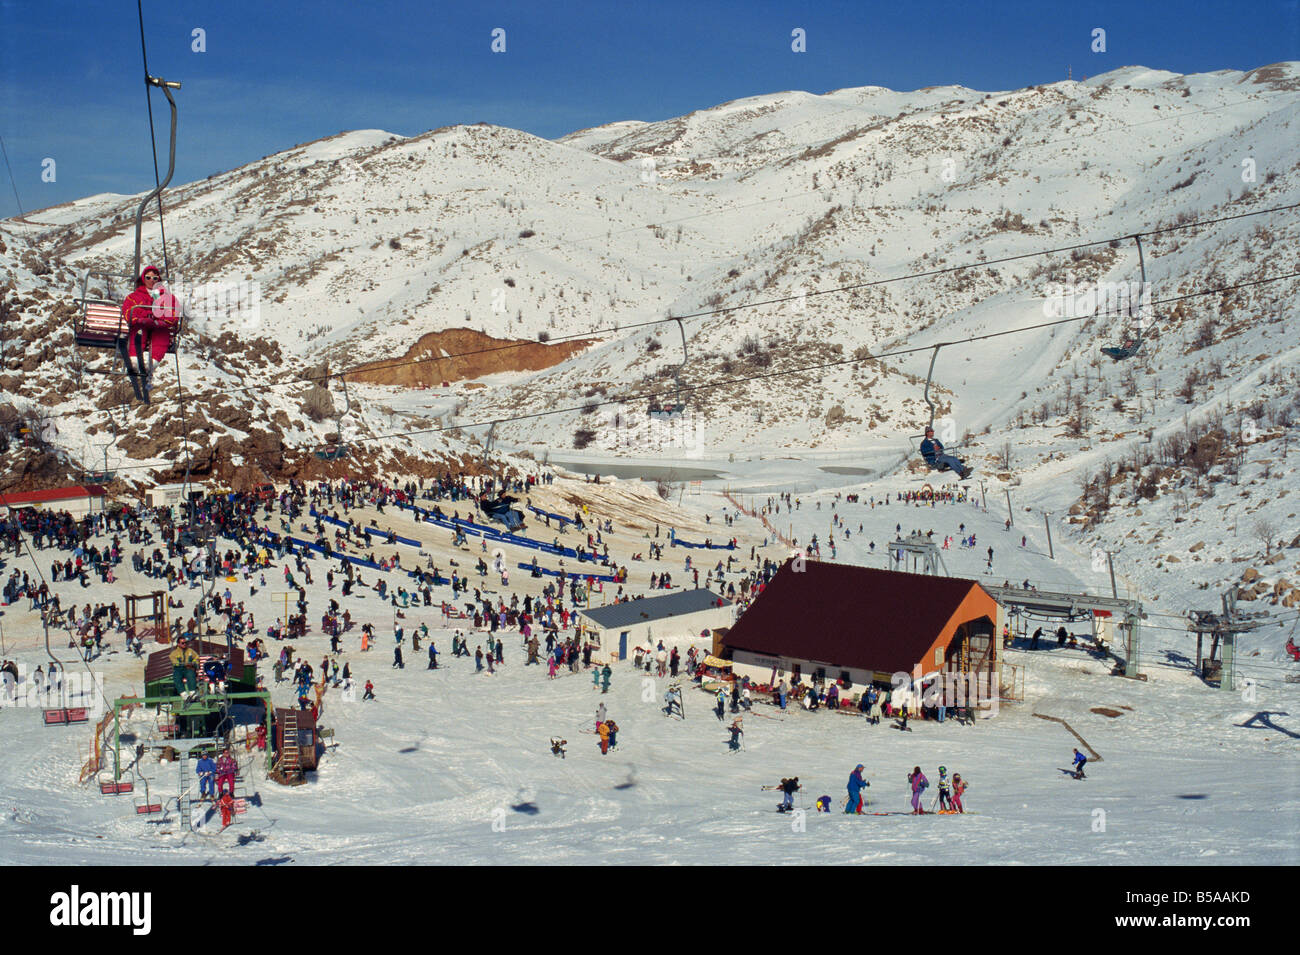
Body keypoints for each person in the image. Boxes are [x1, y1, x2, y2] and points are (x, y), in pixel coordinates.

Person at [121, 265, 178, 398]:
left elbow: (173, 314)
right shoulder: (134, 297)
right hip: (142, 324)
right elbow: (129, 312)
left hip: (159, 326)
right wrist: (144, 316)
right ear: (143, 279)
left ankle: (151, 364)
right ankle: (134, 361)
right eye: (148, 277)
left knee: (162, 333)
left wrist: (159, 319)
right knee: (139, 330)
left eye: (155, 277)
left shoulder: (167, 297)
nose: (151, 280)